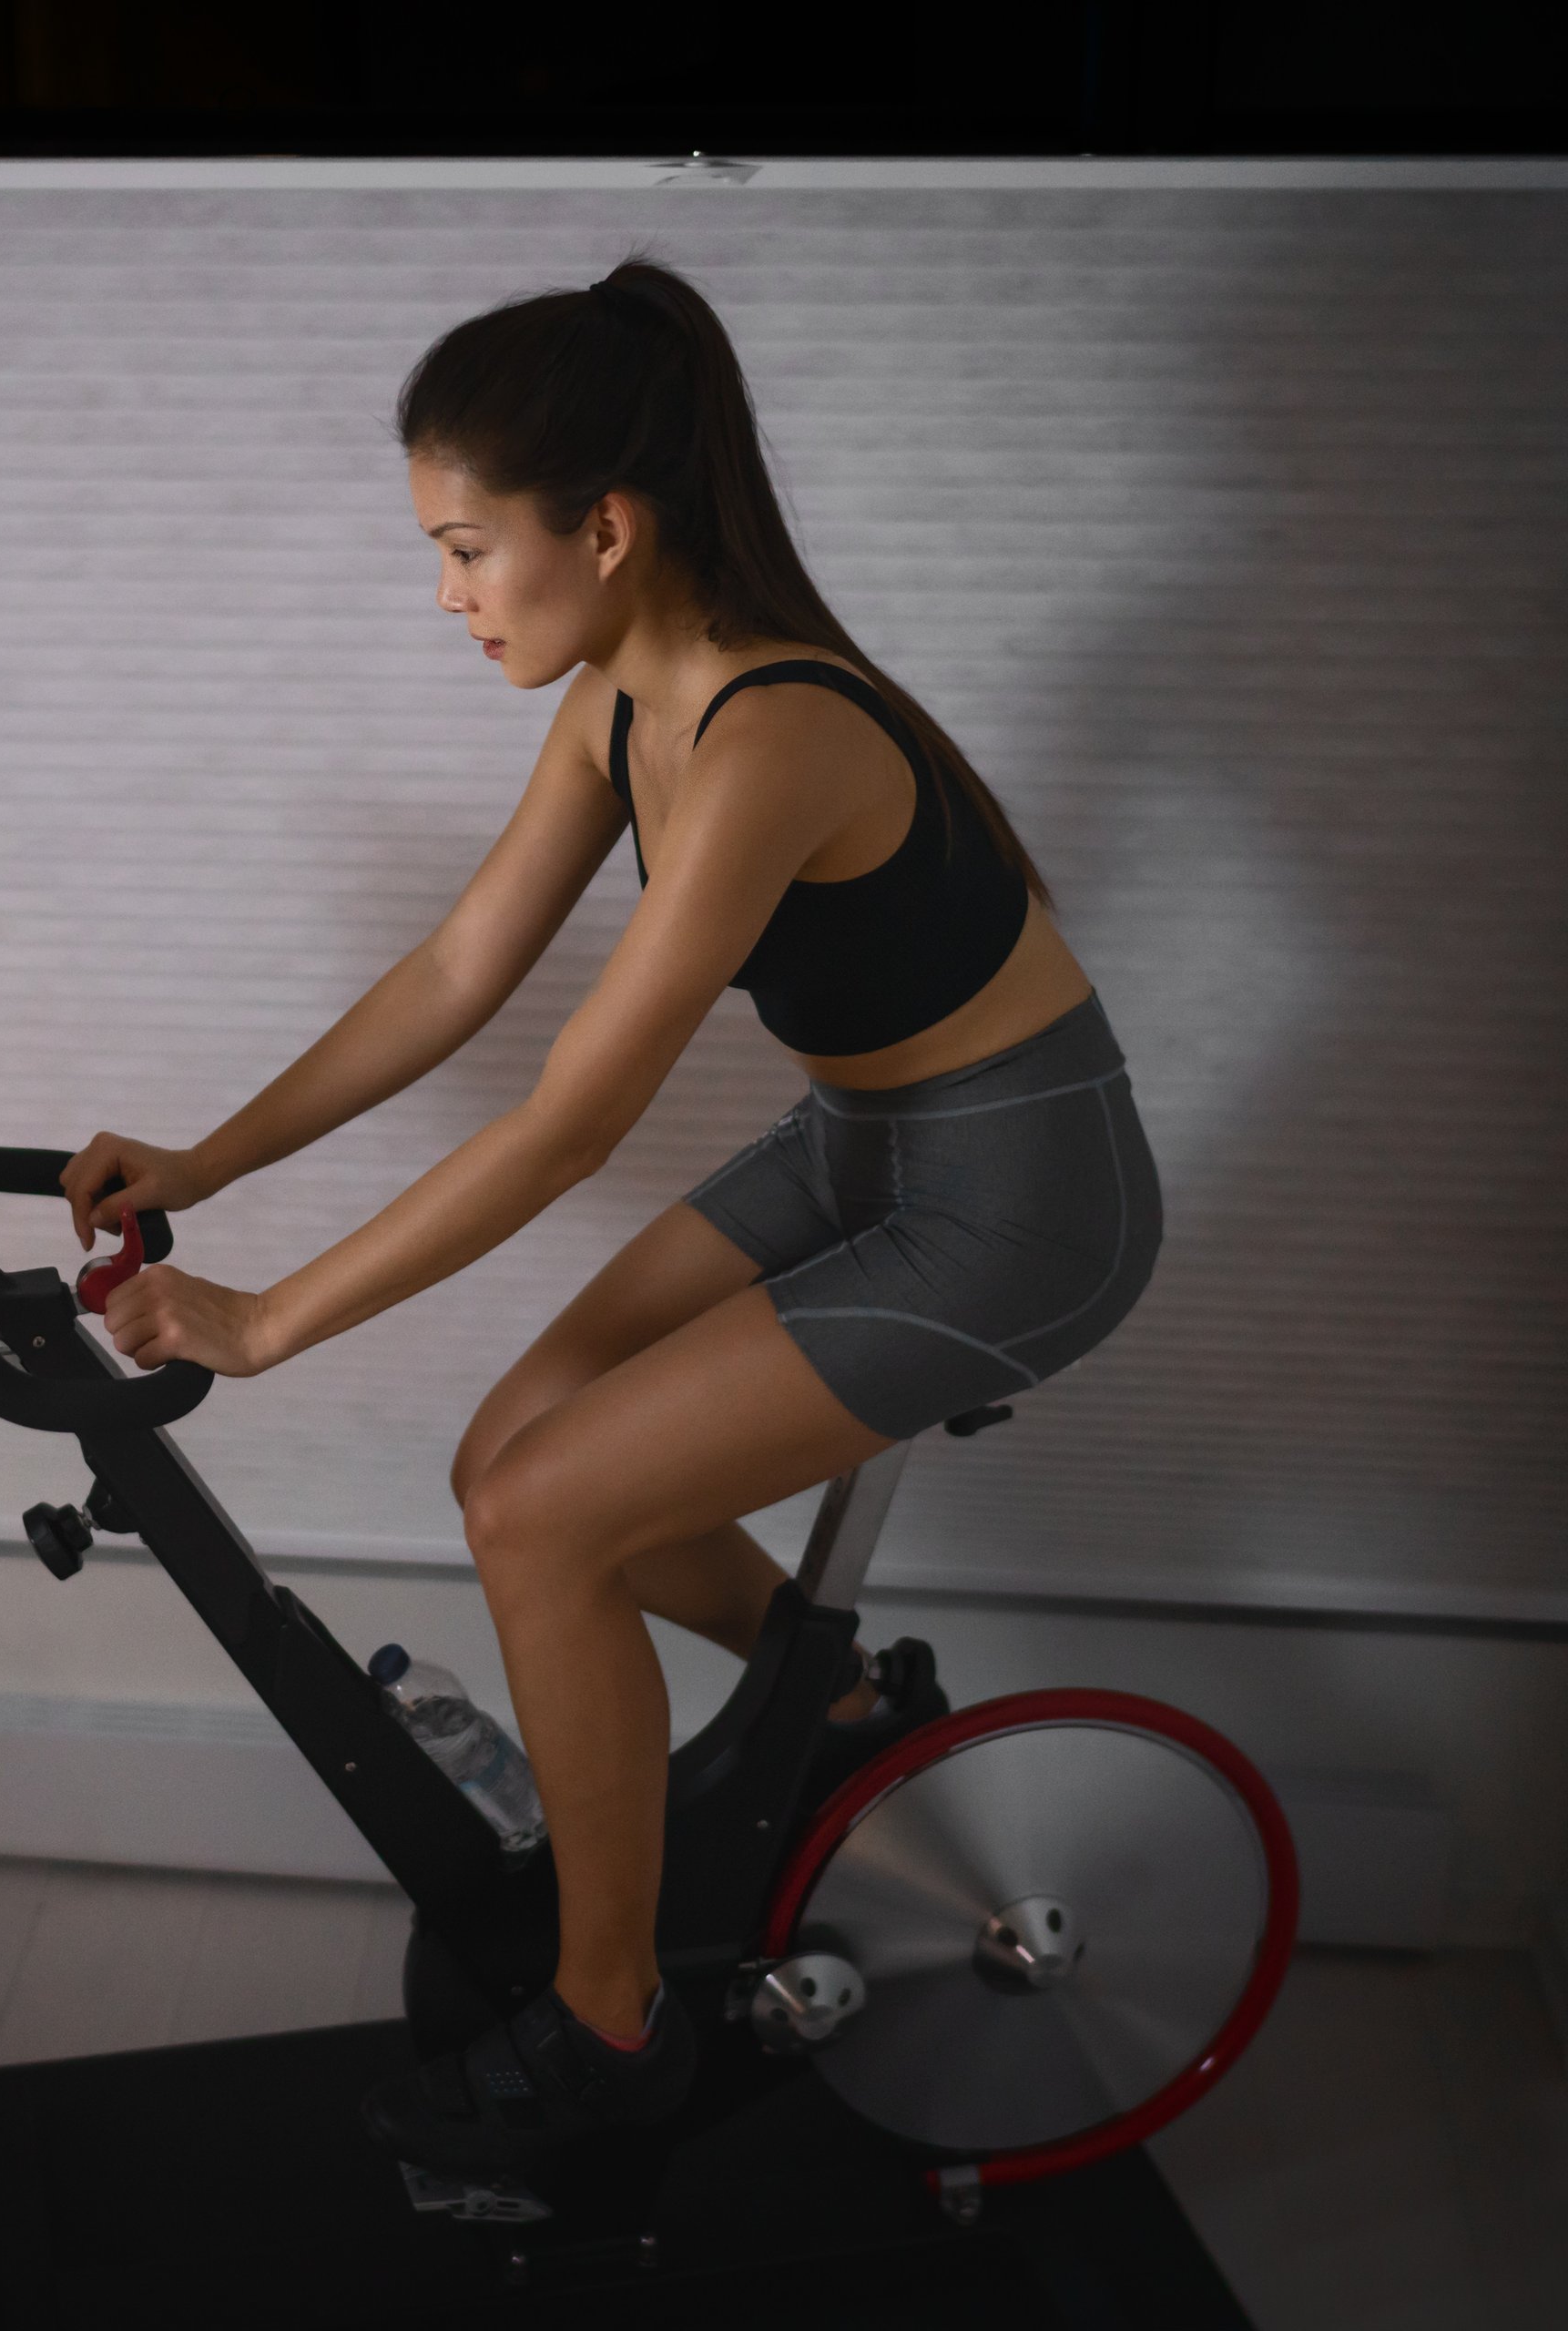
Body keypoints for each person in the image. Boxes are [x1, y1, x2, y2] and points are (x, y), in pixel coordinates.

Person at [59, 257, 1161, 2175]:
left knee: (541, 1510)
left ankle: (609, 2022)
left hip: (1019, 1201)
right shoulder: (612, 704)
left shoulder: (771, 735)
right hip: (869, 1140)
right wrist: (208, 1161)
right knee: (514, 1457)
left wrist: (270, 1321)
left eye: (470, 546)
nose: (448, 591)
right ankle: (834, 1701)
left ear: (610, 525)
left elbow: (575, 1123)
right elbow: (457, 969)